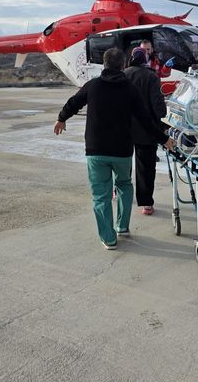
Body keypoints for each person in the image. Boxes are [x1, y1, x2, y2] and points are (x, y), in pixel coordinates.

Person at [55, 47, 175, 249]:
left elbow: (74, 103)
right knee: (124, 185)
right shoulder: (130, 89)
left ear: (104, 64)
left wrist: (61, 118)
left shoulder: (92, 86)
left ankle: (109, 238)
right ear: (122, 65)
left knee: (101, 195)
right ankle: (122, 226)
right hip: (122, 150)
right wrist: (163, 139)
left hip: (96, 149)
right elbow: (145, 119)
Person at [124, 47, 166, 216]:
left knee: (123, 165)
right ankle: (146, 203)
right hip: (146, 130)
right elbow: (158, 106)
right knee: (146, 168)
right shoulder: (152, 77)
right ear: (145, 60)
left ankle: (118, 192)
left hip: (124, 129)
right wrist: (162, 120)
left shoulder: (123, 75)